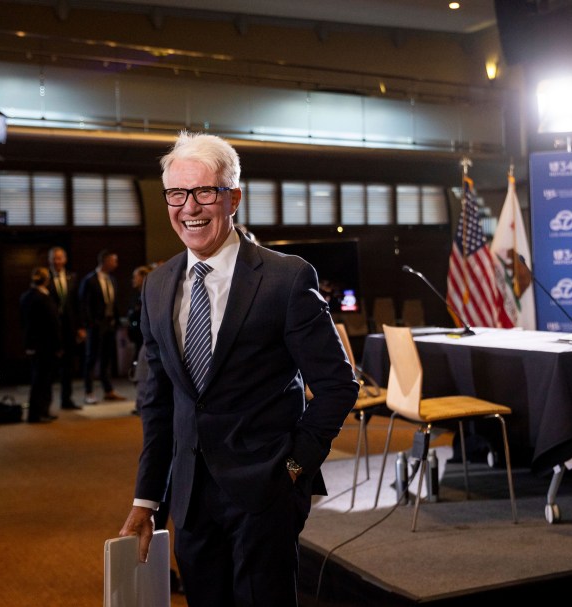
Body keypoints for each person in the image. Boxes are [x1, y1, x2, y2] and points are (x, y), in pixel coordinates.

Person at [118, 131, 359, 606]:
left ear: (233, 197)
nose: (190, 207)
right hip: (188, 499)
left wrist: (294, 467)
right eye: (176, 194)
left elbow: (337, 385)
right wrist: (147, 498)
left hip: (266, 493)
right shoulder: (157, 286)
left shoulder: (285, 278)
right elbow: (158, 402)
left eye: (204, 192)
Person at [79, 248, 124, 404]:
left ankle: (108, 390)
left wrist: (116, 321)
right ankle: (88, 391)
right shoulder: (90, 280)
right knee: (91, 358)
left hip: (110, 324)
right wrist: (88, 324)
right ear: (105, 261)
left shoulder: (112, 279)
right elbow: (84, 305)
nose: (116, 263)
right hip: (95, 325)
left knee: (106, 359)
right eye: (114, 260)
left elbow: (114, 303)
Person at [18, 267, 61, 423]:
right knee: (42, 380)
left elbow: (24, 323)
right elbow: (53, 324)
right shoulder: (43, 298)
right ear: (47, 280)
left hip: (34, 343)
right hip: (45, 345)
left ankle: (41, 411)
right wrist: (58, 345)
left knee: (41, 379)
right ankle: (37, 413)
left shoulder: (26, 297)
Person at [48, 246, 86, 411]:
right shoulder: (45, 277)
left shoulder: (72, 277)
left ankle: (66, 400)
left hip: (69, 328)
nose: (57, 261)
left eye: (60, 258)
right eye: (54, 258)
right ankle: (45, 403)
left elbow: (78, 304)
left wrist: (81, 327)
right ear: (50, 260)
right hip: (51, 328)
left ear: (65, 259)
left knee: (68, 367)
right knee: (50, 367)